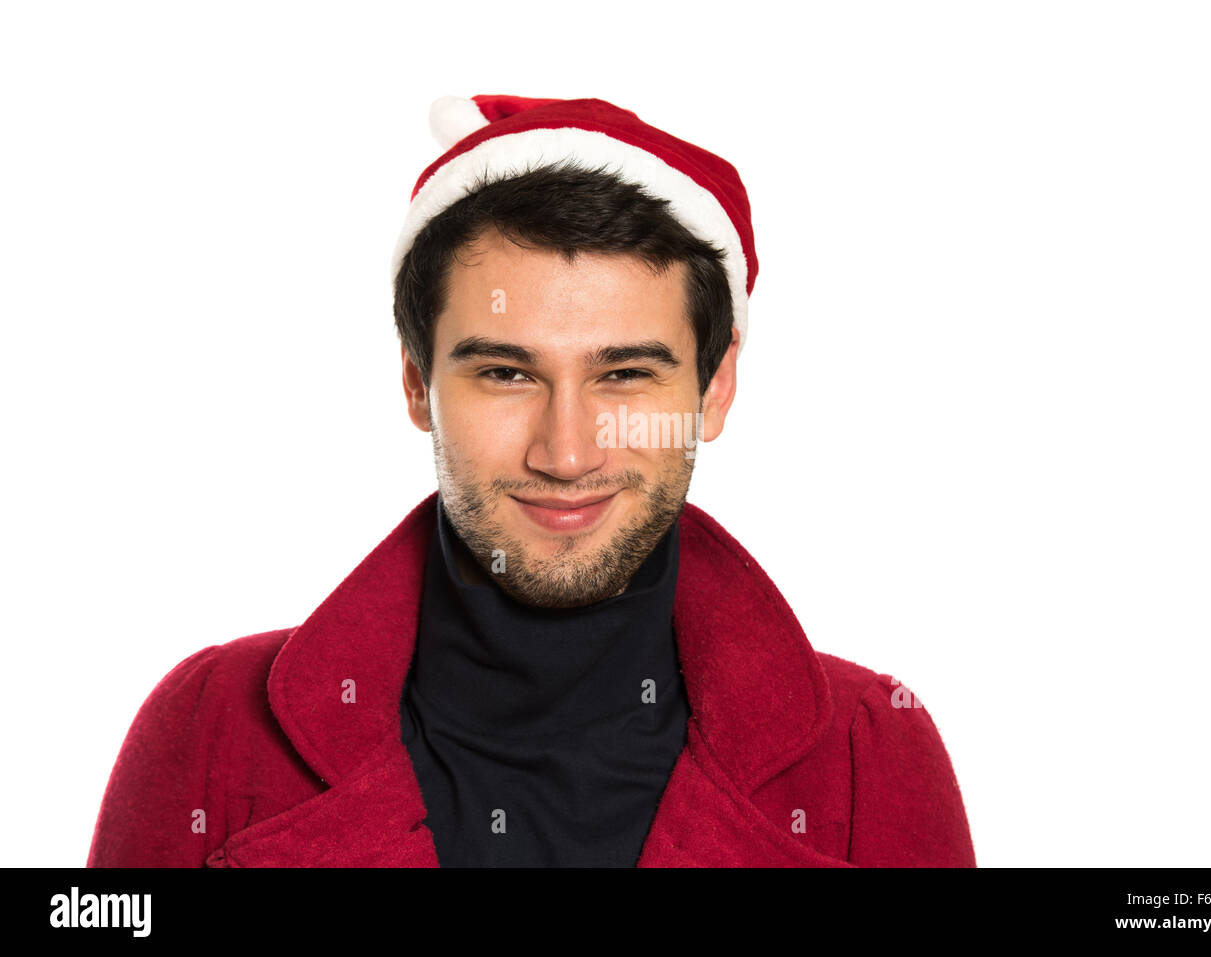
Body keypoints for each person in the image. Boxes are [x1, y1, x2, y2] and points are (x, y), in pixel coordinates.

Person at [87, 94, 976, 867]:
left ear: (714, 387)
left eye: (625, 374)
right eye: (507, 374)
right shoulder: (209, 728)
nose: (566, 451)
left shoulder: (872, 749)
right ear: (415, 381)